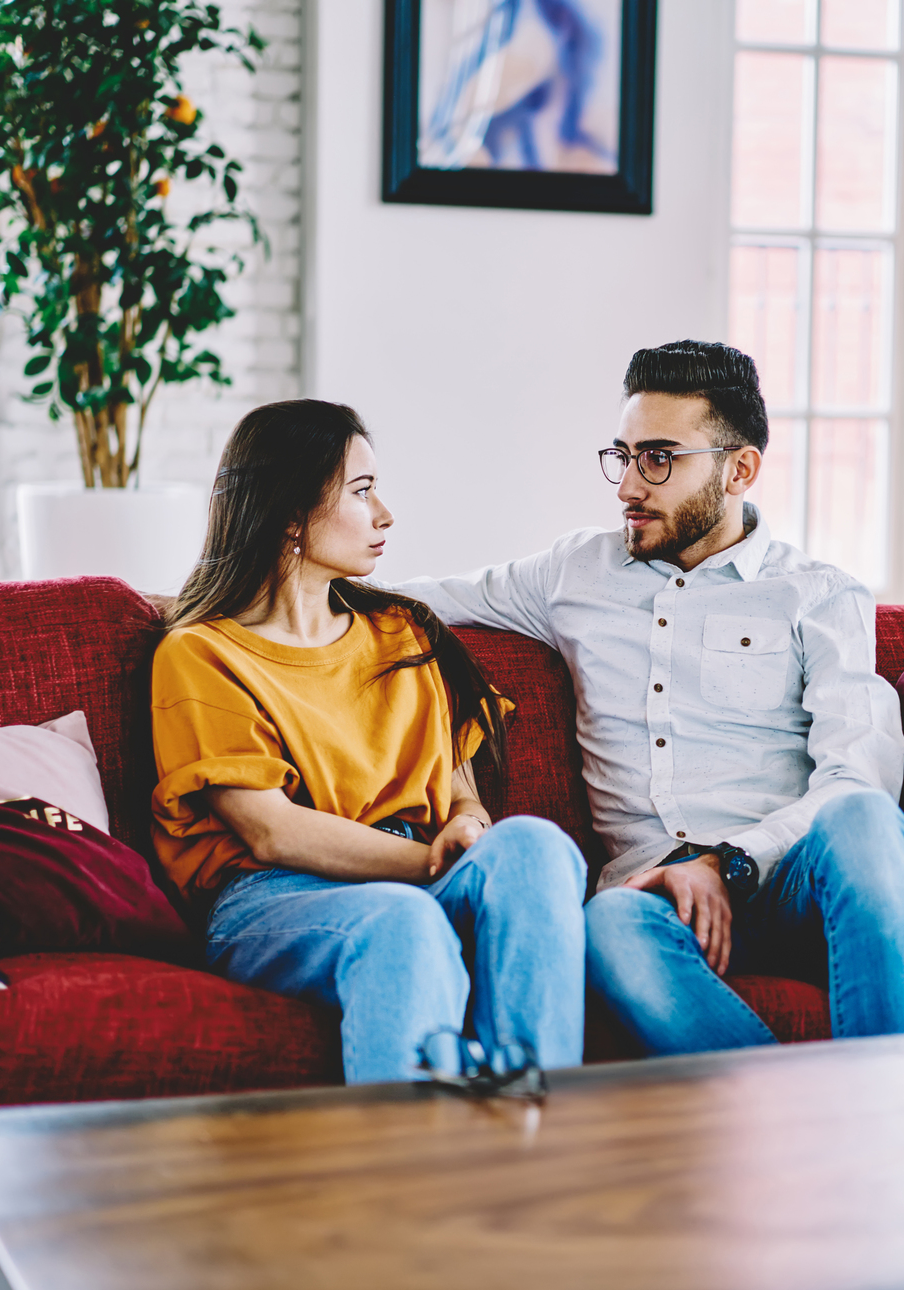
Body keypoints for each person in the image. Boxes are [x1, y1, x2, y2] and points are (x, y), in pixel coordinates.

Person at [395, 341, 904, 1055]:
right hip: (648, 901)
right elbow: (420, 601)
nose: (627, 487)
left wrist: (726, 863)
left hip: (787, 881)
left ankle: (890, 1102)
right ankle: (793, 1125)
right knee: (608, 923)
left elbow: (857, 779)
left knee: (864, 817)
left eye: (659, 459)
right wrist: (223, 597)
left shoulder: (819, 595)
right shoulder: (573, 572)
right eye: (623, 456)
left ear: (740, 468)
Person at [151, 399, 588, 1083]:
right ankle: (412, 1180)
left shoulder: (403, 634)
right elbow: (270, 831)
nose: (385, 513)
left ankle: (535, 1114)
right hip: (275, 896)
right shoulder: (201, 654)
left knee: (536, 846)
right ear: (291, 513)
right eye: (361, 492)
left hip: (418, 869)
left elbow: (458, 793)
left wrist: (468, 830)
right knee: (402, 923)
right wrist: (429, 869)